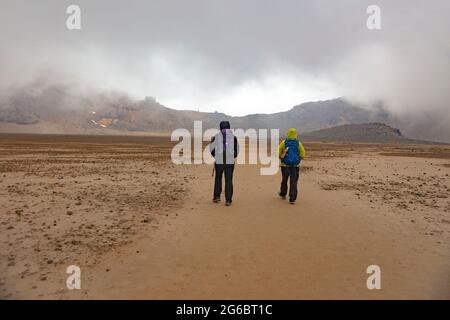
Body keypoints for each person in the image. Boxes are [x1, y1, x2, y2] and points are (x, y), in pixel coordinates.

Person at [210, 121, 239, 206]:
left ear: (220, 127)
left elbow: (211, 149)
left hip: (219, 161)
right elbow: (236, 151)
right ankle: (228, 200)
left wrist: (216, 156)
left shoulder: (216, 137)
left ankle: (217, 197)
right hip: (230, 162)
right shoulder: (233, 137)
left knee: (218, 178)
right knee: (229, 180)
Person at [277, 128, 305, 204]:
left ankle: (283, 193)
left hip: (285, 165)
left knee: (284, 180)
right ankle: (292, 198)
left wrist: (282, 157)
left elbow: (278, 153)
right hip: (295, 166)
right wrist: (297, 159)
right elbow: (303, 154)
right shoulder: (298, 143)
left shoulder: (284, 142)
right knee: (293, 181)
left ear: (288, 134)